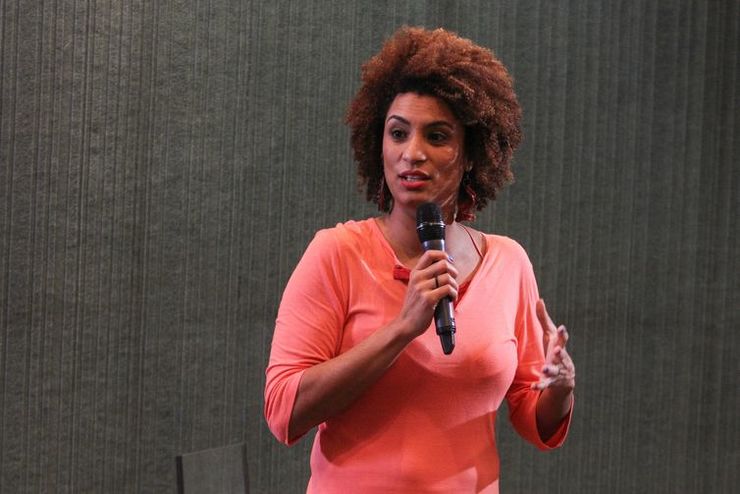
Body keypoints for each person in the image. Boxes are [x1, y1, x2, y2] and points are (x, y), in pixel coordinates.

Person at [264, 26, 575, 493]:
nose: (412, 153)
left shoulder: (509, 263)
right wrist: (402, 328)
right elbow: (283, 412)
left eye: (437, 136)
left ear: (470, 155)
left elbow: (534, 421)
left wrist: (560, 390)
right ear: (379, 145)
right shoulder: (337, 253)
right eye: (398, 133)